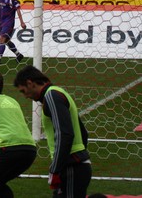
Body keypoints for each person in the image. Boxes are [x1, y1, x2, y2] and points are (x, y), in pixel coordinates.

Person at [14, 65, 92, 198]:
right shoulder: (57, 93)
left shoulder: (52, 96)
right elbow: (83, 132)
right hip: (75, 165)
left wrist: (55, 169)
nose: (25, 96)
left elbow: (64, 134)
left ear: (30, 83)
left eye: (23, 91)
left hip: (71, 167)